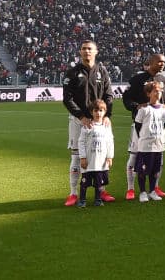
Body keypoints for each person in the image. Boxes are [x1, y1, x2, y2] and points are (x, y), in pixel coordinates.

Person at [62, 39, 114, 207]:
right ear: (80, 51)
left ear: (96, 51)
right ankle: (73, 193)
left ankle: (102, 191)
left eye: (90, 49)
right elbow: (67, 99)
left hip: (100, 120)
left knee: (102, 155)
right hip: (79, 121)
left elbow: (109, 96)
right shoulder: (72, 72)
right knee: (77, 157)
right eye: (84, 49)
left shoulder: (102, 71)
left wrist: (107, 115)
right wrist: (80, 116)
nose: (86, 51)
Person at [123, 53, 165, 200]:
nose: (162, 64)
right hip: (140, 126)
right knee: (134, 157)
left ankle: (154, 187)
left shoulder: (163, 80)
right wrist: (136, 106)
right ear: (151, 62)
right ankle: (131, 189)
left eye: (164, 62)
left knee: (158, 157)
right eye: (159, 62)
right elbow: (127, 99)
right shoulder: (137, 79)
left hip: (157, 126)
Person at [133, 80, 165, 203]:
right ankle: (142, 192)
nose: (158, 93)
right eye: (155, 91)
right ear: (148, 94)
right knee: (142, 170)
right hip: (145, 146)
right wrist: (144, 137)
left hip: (158, 145)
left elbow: (164, 125)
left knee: (155, 170)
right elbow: (138, 126)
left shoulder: (164, 109)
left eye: (159, 91)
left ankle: (152, 190)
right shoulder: (144, 109)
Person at [77, 99, 114, 208]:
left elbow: (110, 141)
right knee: (84, 182)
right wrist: (83, 157)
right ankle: (82, 200)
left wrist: (110, 157)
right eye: (96, 110)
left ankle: (98, 199)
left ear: (105, 112)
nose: (98, 113)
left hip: (101, 161)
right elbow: (81, 142)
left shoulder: (106, 126)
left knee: (99, 183)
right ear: (91, 112)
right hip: (89, 161)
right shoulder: (87, 126)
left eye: (101, 110)